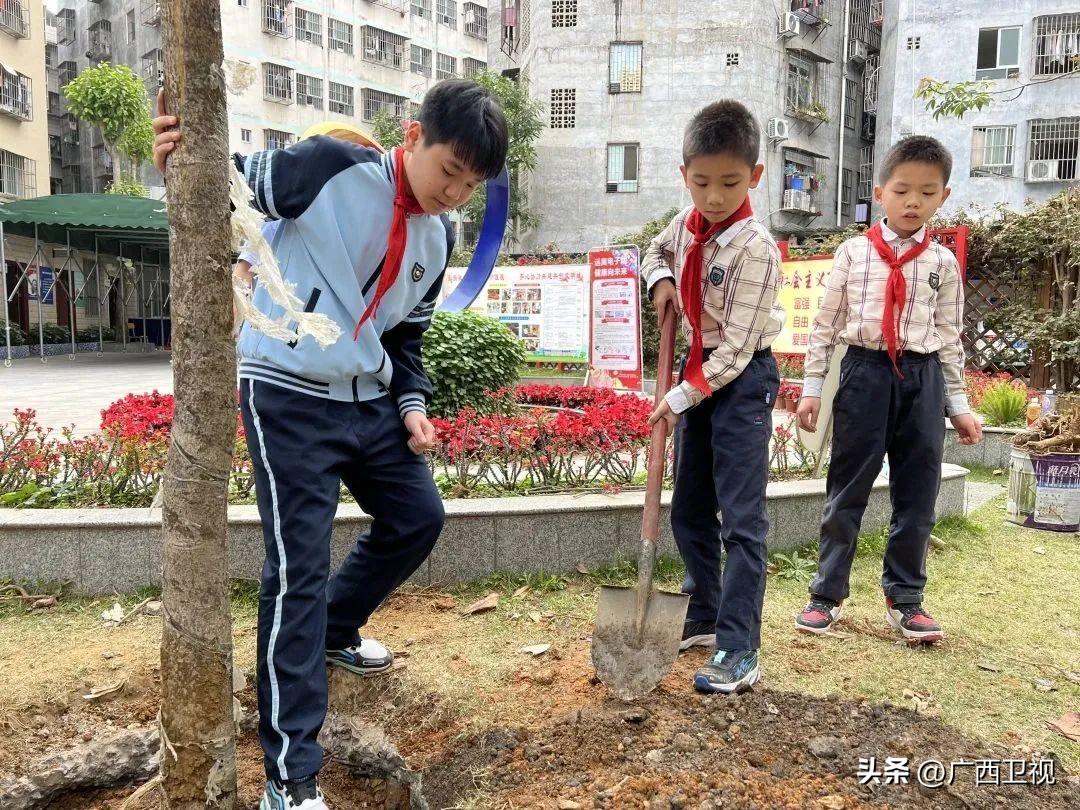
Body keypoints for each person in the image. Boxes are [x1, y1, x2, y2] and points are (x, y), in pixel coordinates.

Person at [153, 80, 508, 810]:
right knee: (297, 572)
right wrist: (178, 155)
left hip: (367, 401)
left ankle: (334, 629)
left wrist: (410, 406)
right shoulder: (332, 167)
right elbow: (234, 182)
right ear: (412, 137)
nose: (455, 193)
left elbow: (406, 336)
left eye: (472, 185)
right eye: (449, 170)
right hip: (287, 390)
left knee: (419, 519)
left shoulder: (439, 241)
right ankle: (290, 779)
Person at [794, 135, 982, 643]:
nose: (912, 201)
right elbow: (825, 325)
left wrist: (958, 405)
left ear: (943, 196)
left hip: (922, 380)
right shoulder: (853, 254)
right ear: (880, 192)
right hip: (864, 373)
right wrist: (813, 388)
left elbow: (948, 338)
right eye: (902, 190)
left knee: (918, 493)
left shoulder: (943, 264)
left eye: (926, 192)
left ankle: (906, 598)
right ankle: (825, 595)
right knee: (847, 487)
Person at [642, 100, 784, 694]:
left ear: (754, 176)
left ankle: (739, 646)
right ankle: (705, 609)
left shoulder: (757, 250)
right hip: (696, 375)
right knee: (688, 509)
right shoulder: (684, 226)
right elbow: (653, 251)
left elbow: (737, 352)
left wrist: (678, 399)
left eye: (729, 183)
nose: (714, 196)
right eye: (701, 183)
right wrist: (662, 281)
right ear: (685, 176)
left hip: (741, 382)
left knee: (741, 520)